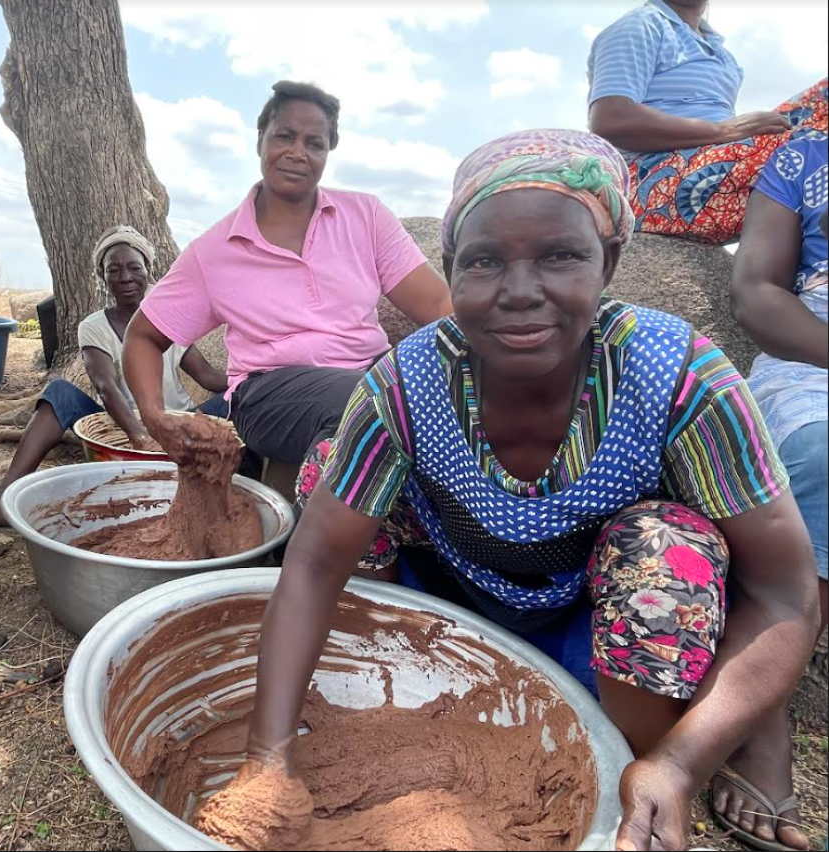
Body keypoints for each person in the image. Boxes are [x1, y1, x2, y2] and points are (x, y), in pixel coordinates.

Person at [239, 130, 820, 852]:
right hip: (456, 595)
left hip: (599, 616)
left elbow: (785, 595)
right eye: (484, 261)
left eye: (559, 256)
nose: (519, 292)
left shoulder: (679, 377)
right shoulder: (404, 383)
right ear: (451, 271)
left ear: (608, 260)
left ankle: (641, 758)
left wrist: (674, 767)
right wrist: (267, 757)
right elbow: (317, 563)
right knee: (331, 466)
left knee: (666, 549)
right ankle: (401, 686)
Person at [123, 80, 453, 470]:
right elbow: (143, 336)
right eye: (285, 136)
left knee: (445, 399)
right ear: (261, 138)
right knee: (368, 403)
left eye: (314, 143)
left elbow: (436, 304)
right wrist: (155, 417)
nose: (298, 153)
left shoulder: (366, 217)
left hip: (370, 372)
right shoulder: (214, 251)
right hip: (269, 393)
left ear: (328, 151)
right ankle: (326, 524)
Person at [0, 226, 228, 527]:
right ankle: (5, 495)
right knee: (60, 394)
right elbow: (105, 387)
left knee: (244, 395)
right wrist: (140, 436)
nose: (125, 277)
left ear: (148, 270)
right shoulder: (94, 327)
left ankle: (227, 492)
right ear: (102, 277)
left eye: (134, 267)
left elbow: (208, 377)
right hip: (117, 424)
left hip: (176, 420)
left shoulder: (169, 320)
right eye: (113, 270)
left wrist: (251, 375)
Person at [730, 138, 828, 849]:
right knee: (819, 449)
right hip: (815, 352)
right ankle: (766, 716)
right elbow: (757, 289)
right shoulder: (806, 158)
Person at [588, 0, 827, 244]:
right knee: (811, 144)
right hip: (654, 181)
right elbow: (611, 118)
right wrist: (723, 130)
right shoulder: (640, 26)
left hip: (707, 162)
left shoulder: (719, 50)